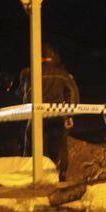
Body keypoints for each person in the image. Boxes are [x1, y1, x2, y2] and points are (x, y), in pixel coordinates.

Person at [41, 43, 79, 181]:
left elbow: (26, 94)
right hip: (58, 116)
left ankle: (44, 174)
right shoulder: (63, 74)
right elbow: (72, 92)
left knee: (40, 146)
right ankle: (61, 173)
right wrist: (69, 114)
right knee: (61, 144)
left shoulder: (34, 73)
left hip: (39, 117)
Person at [0, 72, 23, 157]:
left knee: (0, 158)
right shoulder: (15, 98)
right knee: (13, 160)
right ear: (11, 83)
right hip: (10, 134)